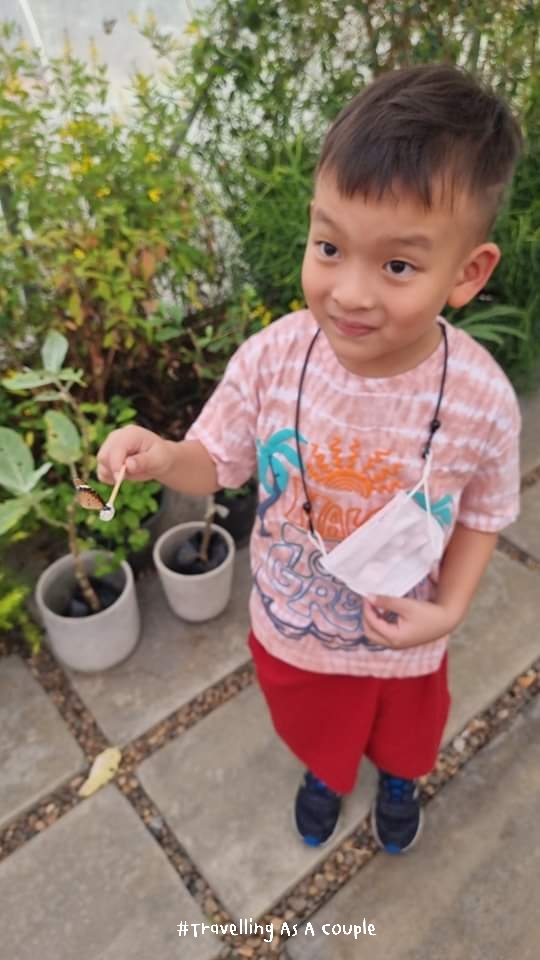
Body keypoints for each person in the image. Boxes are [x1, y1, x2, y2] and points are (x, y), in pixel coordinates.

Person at [97, 64, 523, 854]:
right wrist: (162, 457)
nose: (350, 293)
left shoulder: (480, 400)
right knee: (314, 721)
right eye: (330, 246)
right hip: (294, 625)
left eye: (397, 265)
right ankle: (327, 774)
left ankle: (398, 780)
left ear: (467, 272)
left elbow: (485, 514)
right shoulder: (273, 359)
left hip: (403, 636)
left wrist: (451, 611)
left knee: (405, 729)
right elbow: (216, 460)